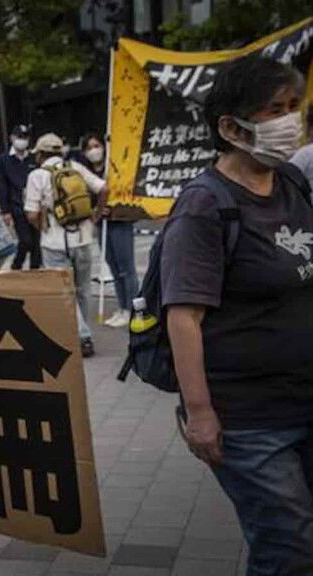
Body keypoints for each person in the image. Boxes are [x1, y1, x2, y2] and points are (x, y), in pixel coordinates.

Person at [162, 56, 313, 576]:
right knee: (288, 547)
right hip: (250, 421)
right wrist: (200, 413)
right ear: (231, 126)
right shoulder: (206, 205)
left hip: (304, 397)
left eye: (295, 107)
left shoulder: (294, 183)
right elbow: (183, 317)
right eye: (275, 110)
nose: (289, 121)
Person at [24, 133, 107, 358]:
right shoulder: (77, 168)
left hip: (53, 243)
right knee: (83, 289)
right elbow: (103, 189)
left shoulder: (37, 175)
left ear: (40, 154)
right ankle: (82, 333)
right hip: (83, 238)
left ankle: (81, 336)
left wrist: (42, 224)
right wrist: (96, 215)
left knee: (65, 291)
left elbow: (31, 213)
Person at [78, 133, 138, 328]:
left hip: (119, 220)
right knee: (113, 266)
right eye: (89, 147)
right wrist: (95, 210)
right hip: (102, 223)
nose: (94, 150)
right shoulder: (86, 172)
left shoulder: (114, 168)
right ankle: (122, 307)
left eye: (97, 145)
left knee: (126, 268)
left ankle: (132, 309)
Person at [0, 124, 41, 269]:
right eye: (19, 137)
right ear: (12, 138)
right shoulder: (4, 160)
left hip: (35, 205)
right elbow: (1, 186)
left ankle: (35, 272)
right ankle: (16, 265)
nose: (22, 140)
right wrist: (5, 211)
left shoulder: (33, 158)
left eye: (25, 137)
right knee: (26, 240)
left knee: (37, 243)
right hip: (17, 206)